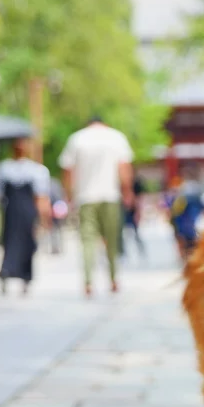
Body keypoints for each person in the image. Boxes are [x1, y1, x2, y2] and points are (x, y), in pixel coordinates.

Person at [58, 114, 134, 297]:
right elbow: (124, 168)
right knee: (112, 239)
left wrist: (68, 195)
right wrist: (127, 191)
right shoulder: (116, 137)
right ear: (104, 123)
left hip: (85, 197)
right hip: (110, 195)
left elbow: (68, 170)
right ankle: (114, 279)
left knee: (87, 241)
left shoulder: (77, 138)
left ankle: (88, 282)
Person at [0, 137, 51, 297]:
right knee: (10, 242)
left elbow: (40, 197)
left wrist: (44, 217)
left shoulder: (33, 169)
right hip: (13, 211)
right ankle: (8, 271)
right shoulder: (4, 168)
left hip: (21, 211)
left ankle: (23, 275)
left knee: (25, 243)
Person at [169, 166, 204, 262]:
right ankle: (192, 256)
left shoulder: (181, 187)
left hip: (183, 217)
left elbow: (176, 206)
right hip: (191, 218)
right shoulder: (200, 187)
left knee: (183, 237)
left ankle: (185, 256)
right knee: (192, 237)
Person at [120, 175, 147, 260]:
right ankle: (123, 253)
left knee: (136, 234)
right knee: (122, 235)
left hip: (131, 213)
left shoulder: (134, 188)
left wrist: (138, 214)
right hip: (124, 213)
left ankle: (141, 251)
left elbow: (137, 204)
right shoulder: (120, 188)